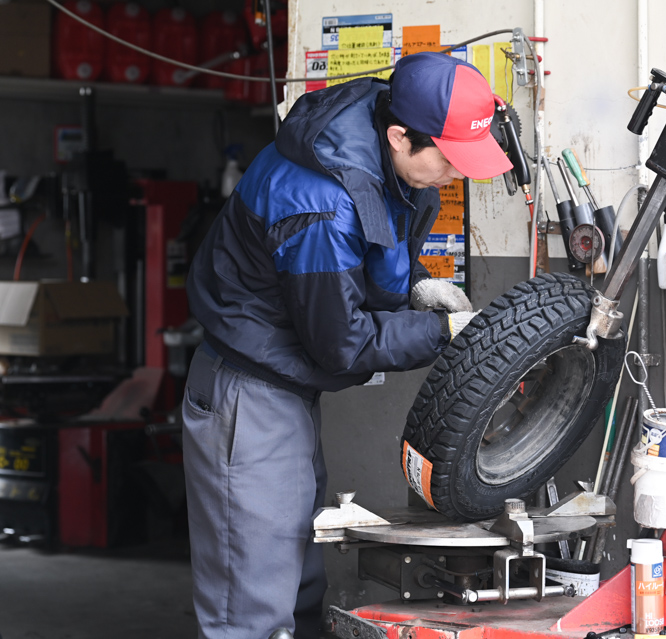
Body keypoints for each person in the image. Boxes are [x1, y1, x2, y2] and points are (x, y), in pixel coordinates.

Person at [181, 51, 512, 639]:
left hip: (283, 390)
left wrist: (416, 289)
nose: (456, 174)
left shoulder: (379, 159)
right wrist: (442, 332)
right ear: (399, 136)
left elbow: (365, 260)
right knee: (249, 613)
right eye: (449, 159)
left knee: (298, 586)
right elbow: (343, 344)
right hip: (248, 398)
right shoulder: (320, 202)